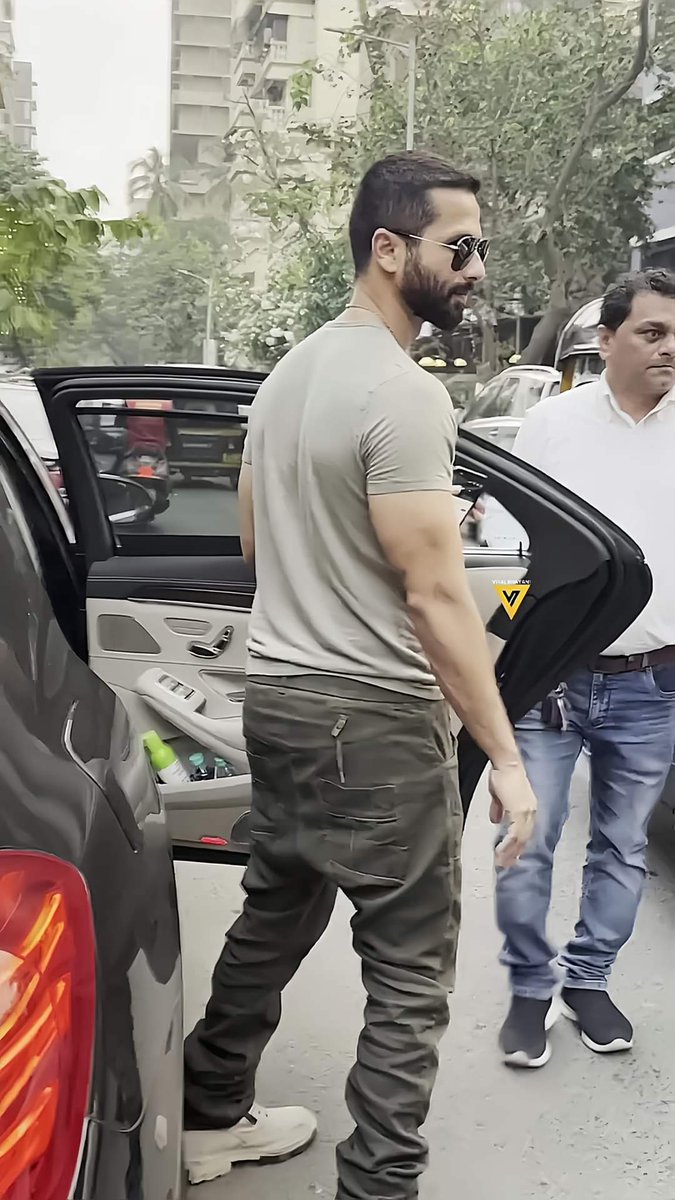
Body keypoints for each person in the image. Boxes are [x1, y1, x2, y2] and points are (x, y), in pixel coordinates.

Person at [182, 151, 538, 1196]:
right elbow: (434, 596)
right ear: (390, 249)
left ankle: (208, 1116)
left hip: (280, 698)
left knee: (275, 912)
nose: (475, 267)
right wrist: (507, 759)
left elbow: (255, 548)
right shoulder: (402, 395)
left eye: (480, 247)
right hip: (374, 718)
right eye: (458, 246)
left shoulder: (287, 374)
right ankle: (377, 1183)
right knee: (412, 975)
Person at [497, 268, 675, 1068]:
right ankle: (529, 994)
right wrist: (509, 641)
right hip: (554, 679)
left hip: (654, 681)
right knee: (527, 839)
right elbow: (506, 548)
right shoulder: (551, 424)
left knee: (623, 845)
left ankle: (587, 981)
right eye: (651, 332)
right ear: (605, 342)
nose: (668, 348)